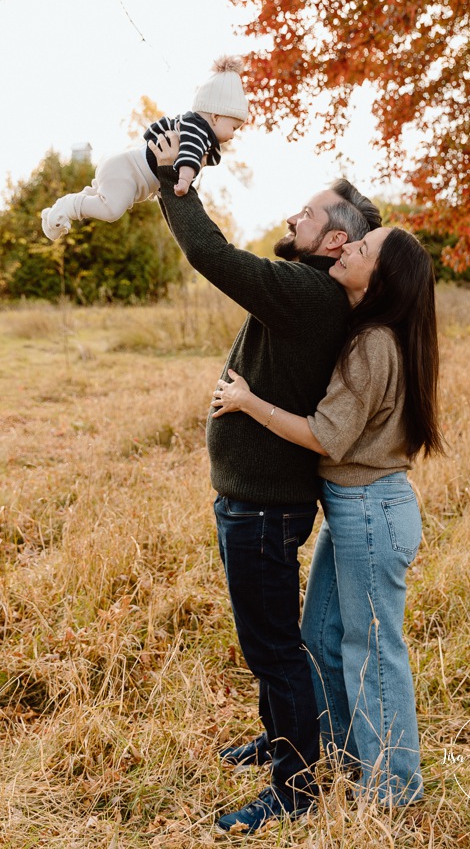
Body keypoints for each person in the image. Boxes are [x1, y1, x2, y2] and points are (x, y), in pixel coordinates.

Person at [149, 131, 381, 833]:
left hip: (262, 509)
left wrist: (173, 181)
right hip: (254, 502)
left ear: (335, 242)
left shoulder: (308, 294)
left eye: (307, 215)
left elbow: (211, 256)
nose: (291, 218)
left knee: (272, 646)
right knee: (268, 640)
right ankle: (280, 740)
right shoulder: (309, 292)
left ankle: (295, 787)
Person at [212, 225, 444, 807]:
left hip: (370, 510)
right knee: (318, 637)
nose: (349, 250)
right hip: (354, 509)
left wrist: (248, 402)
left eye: (363, 250)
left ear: (380, 278)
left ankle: (393, 791)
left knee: (373, 650)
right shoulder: (369, 332)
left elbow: (325, 436)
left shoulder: (374, 345)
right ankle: (340, 752)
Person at [40, 56, 247, 241]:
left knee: (99, 198)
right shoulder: (197, 128)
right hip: (127, 171)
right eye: (234, 127)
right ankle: (68, 206)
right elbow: (189, 157)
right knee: (111, 210)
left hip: (123, 166)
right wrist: (184, 181)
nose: (233, 134)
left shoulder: (192, 126)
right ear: (216, 116)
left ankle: (52, 217)